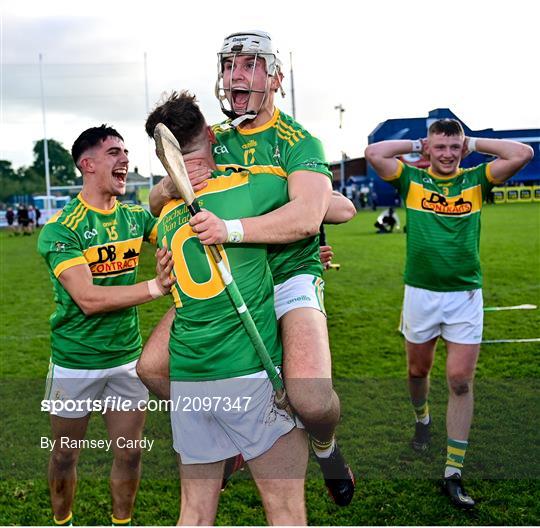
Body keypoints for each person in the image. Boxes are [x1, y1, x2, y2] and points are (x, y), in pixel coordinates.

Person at [139, 30, 357, 506]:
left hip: (290, 274)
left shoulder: (299, 141)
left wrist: (231, 228)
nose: (235, 75)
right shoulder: (216, 138)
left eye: (250, 65)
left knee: (313, 401)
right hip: (226, 276)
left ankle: (325, 445)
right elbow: (158, 200)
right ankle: (229, 441)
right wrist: (166, 190)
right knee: (152, 369)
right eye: (229, 66)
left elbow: (304, 219)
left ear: (275, 77)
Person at [147, 91, 308, 525]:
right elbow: (323, 208)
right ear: (209, 135)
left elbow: (155, 201)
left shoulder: (164, 217)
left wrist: (165, 187)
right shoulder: (249, 188)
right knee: (286, 512)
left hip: (189, 379)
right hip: (249, 376)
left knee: (195, 514)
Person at [365, 118, 533, 509]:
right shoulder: (411, 180)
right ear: (429, 148)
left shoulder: (476, 180)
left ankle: (452, 473)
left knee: (460, 381)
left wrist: (472, 141)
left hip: (464, 297)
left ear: (462, 149)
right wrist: (419, 144)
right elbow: (374, 153)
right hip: (420, 295)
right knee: (417, 372)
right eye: (439, 147)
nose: (446, 154)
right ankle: (423, 421)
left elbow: (522, 153)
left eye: (453, 148)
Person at [37, 125, 175, 527]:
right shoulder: (61, 229)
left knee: (130, 452)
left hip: (126, 360)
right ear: (87, 164)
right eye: (114, 152)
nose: (124, 160)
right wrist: (155, 286)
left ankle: (121, 522)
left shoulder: (135, 218)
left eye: (126, 152)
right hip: (74, 361)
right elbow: (88, 298)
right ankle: (63, 521)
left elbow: (182, 238)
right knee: (64, 453)